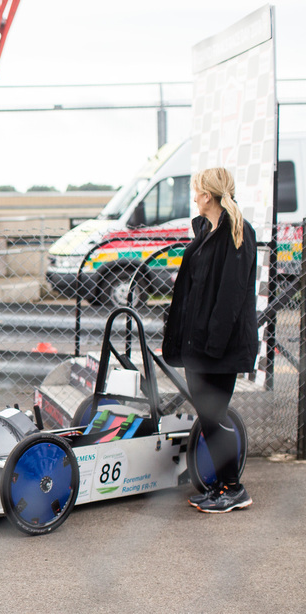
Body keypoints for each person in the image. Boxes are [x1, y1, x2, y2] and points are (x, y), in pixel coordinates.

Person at [162, 167, 256, 514]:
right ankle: (220, 486)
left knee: (213, 416)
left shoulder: (238, 233)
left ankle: (234, 489)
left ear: (207, 195)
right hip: (198, 345)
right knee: (209, 415)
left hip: (219, 348)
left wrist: (211, 348)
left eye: (197, 190)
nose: (194, 195)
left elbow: (230, 299)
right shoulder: (206, 231)